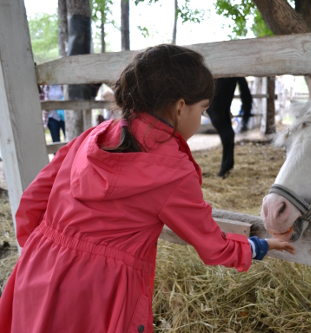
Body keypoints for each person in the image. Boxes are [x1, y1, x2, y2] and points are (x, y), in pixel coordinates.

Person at [0, 44, 295, 333]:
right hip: (98, 294)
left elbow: (32, 200)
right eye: (203, 109)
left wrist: (43, 250)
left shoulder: (93, 136)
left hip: (37, 268)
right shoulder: (173, 172)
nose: (202, 118)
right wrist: (259, 246)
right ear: (180, 107)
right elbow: (213, 247)